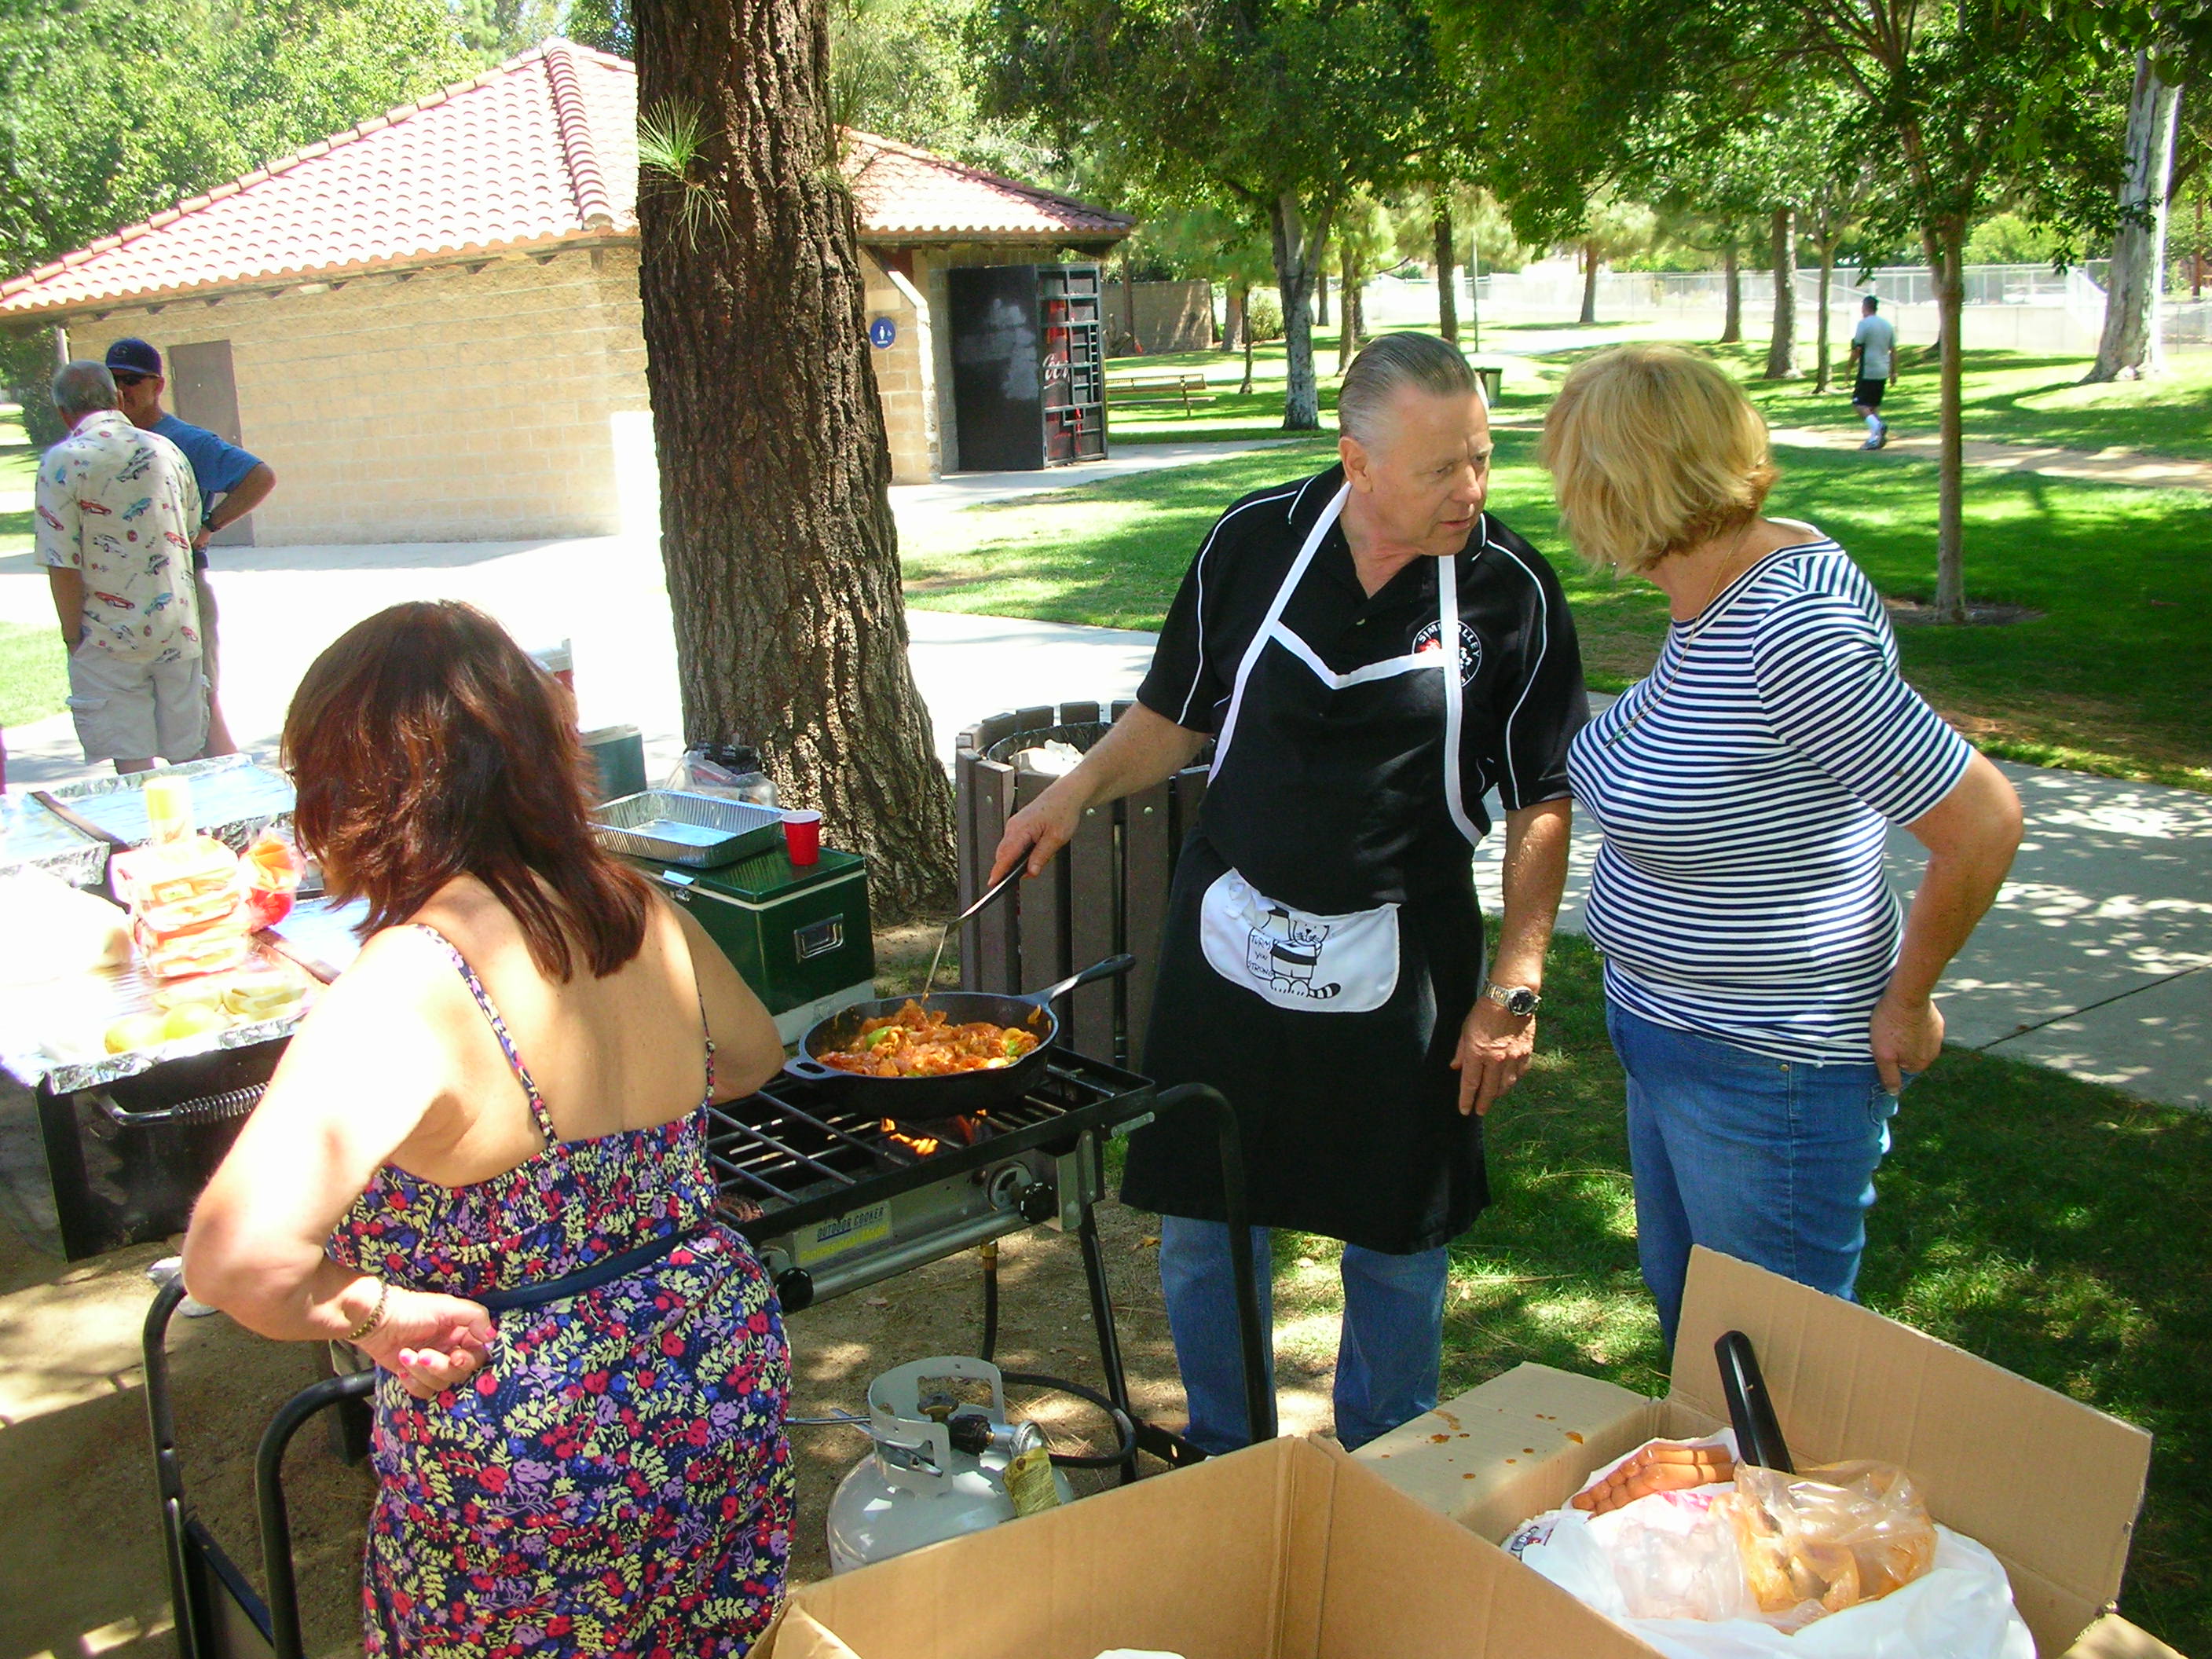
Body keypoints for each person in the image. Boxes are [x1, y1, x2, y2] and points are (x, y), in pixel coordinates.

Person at [991, 333, 1588, 1453]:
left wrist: (1515, 981)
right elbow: (1175, 718)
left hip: (1403, 958)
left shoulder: (1511, 594)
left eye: (1481, 459)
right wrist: (1070, 795)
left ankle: (1389, 1463)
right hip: (1229, 943)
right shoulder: (1251, 543)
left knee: (1400, 1239)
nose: (1472, 491)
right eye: (1440, 468)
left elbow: (1539, 799)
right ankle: (1231, 1453)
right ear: (1358, 464)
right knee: (1209, 1226)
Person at [182, 602, 793, 1657]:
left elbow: (232, 1261)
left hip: (531, 1435)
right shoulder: (635, 905)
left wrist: (374, 1311)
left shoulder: (412, 980)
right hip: (710, 1369)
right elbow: (750, 1061)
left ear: (355, 789)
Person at [1544, 344, 2022, 1347]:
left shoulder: (1788, 631)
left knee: (1773, 1372)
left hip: (1768, 1068)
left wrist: (1907, 997)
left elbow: (1979, 822)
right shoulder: (1723, 582)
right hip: (1666, 1033)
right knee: (1699, 1343)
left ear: (1616, 488)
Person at [105, 336, 276, 756]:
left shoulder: (187, 440)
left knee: (199, 711)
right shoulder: (103, 442)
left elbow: (260, 477)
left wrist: (209, 525)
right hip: (122, 598)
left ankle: (240, 817)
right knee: (133, 718)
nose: (121, 391)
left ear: (158, 385)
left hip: (181, 589)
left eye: (131, 381)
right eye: (112, 381)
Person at [36, 361, 206, 774]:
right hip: (176, 628)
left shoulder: (62, 462)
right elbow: (192, 527)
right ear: (116, 398)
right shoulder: (165, 449)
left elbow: (63, 564)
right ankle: (203, 835)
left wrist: (71, 633)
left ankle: (152, 839)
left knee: (134, 765)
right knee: (189, 756)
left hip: (107, 634)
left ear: (63, 412)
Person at [1848, 295, 1898, 450]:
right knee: (1874, 405)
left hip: (1868, 368)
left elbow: (1858, 348)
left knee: (1859, 404)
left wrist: (1849, 367)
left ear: (1865, 307)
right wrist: (1893, 372)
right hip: (1883, 369)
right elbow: (1894, 350)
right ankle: (1875, 438)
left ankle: (1878, 427)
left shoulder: (1864, 324)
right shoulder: (1887, 325)